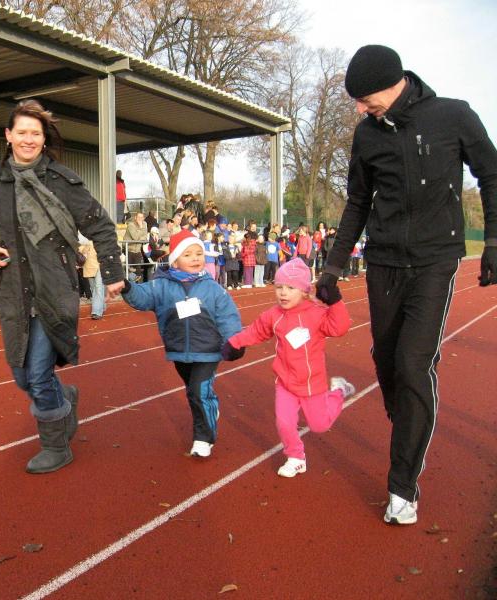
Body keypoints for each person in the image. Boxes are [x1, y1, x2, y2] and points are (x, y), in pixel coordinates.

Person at [317, 44, 497, 525]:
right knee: (386, 360)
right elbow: (358, 202)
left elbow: (492, 174)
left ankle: (402, 487)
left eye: (364, 99)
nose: (360, 109)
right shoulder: (367, 134)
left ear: (392, 84)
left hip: (436, 260)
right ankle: (411, 429)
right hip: (384, 261)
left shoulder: (453, 116)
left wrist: (493, 240)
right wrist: (332, 267)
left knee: (413, 364)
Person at [0, 99, 124, 474]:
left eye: (35, 133)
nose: (28, 139)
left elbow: (101, 226)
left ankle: (56, 446)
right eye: (21, 132)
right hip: (14, 291)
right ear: (8, 135)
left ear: (43, 137)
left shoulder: (61, 180)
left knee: (37, 376)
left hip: (55, 288)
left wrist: (112, 272)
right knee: (23, 376)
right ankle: (63, 397)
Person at [223, 258, 355, 476]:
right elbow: (256, 331)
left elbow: (339, 328)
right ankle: (296, 457)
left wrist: (335, 302)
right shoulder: (273, 315)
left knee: (319, 425)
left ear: (304, 291)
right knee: (284, 423)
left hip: (312, 384)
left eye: (290, 288)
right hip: (285, 382)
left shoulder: (316, 313)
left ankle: (339, 391)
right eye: (279, 287)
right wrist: (235, 343)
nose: (283, 293)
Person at [121, 229, 242, 457]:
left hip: (208, 351)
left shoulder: (213, 288)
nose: (195, 258)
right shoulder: (160, 285)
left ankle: (203, 439)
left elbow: (228, 315)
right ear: (175, 261)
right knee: (194, 392)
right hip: (178, 351)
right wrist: (127, 287)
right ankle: (210, 408)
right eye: (188, 255)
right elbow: (142, 297)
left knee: (198, 391)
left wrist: (234, 341)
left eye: (198, 254)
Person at [78, 234, 104, 320]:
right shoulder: (84, 235)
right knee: (93, 288)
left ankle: (96, 311)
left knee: (98, 287)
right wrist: (86, 246)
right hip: (89, 265)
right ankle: (102, 306)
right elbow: (80, 249)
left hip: (101, 264)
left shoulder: (101, 233)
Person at [124, 211, 148, 282]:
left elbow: (145, 236)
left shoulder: (145, 224)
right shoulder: (131, 225)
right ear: (135, 217)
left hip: (138, 250)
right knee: (129, 271)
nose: (140, 219)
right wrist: (140, 227)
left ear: (143, 218)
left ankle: (135, 285)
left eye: (141, 217)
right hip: (129, 249)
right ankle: (129, 285)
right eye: (138, 217)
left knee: (138, 272)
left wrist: (141, 237)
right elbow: (135, 237)